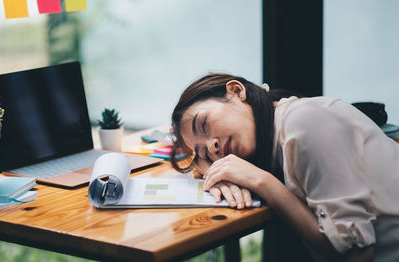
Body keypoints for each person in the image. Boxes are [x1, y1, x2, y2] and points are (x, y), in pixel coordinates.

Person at [169, 73, 399, 262]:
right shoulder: (279, 126)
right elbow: (182, 153)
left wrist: (263, 182)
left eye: (205, 124)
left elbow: (356, 254)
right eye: (205, 153)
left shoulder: (305, 122)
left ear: (237, 91)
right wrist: (215, 169)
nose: (213, 146)